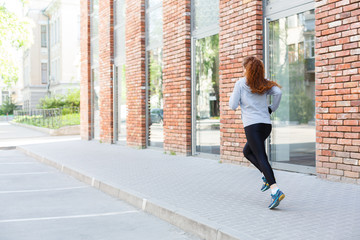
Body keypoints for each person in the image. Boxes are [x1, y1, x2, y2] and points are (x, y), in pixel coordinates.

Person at [229, 56, 284, 209]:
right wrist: (272, 108)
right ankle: (266, 177)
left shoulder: (240, 84)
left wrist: (233, 98)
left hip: (252, 126)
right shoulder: (264, 82)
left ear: (247, 69)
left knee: (260, 156)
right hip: (265, 125)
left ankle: (275, 190)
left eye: (243, 68)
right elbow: (278, 92)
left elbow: (232, 105)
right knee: (247, 152)